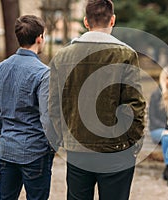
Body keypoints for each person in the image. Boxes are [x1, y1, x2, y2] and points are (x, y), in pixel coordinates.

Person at [48, 0, 146, 199]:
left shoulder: (62, 56)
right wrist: (132, 142)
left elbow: (54, 106)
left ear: (86, 21)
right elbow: (135, 105)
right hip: (116, 150)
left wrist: (64, 137)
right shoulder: (125, 54)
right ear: (113, 20)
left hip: (77, 149)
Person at [0, 15, 55, 200]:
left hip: (8, 149)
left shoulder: (0, 68)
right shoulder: (43, 73)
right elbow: (47, 117)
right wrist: (52, 144)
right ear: (40, 38)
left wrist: (7, 132)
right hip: (35, 151)